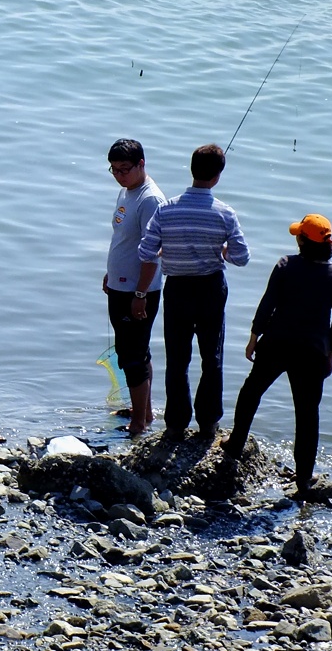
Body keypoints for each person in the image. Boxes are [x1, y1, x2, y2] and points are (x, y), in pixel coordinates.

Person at [221, 214, 332, 495]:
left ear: (303, 241)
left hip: (276, 344)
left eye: (298, 235)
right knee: (307, 414)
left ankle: (235, 444)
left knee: (251, 392)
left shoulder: (285, 265)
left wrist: (254, 337)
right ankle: (303, 478)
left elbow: (268, 303)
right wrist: (331, 354)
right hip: (312, 353)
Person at [134, 143, 249, 440]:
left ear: (191, 169)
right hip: (211, 288)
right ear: (218, 176)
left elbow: (146, 251)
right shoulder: (225, 213)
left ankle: (175, 424)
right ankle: (208, 423)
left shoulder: (166, 209)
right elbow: (241, 257)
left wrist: (168, 251)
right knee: (212, 357)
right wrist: (222, 250)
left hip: (178, 289)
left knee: (177, 358)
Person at [101, 139, 166, 435]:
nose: (119, 175)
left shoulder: (150, 200)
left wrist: (140, 293)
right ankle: (145, 412)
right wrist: (112, 273)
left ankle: (138, 423)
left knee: (132, 356)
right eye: (114, 170)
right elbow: (124, 240)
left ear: (142, 164)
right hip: (121, 285)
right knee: (136, 351)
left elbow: (153, 253)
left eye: (124, 169)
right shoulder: (126, 191)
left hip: (138, 292)